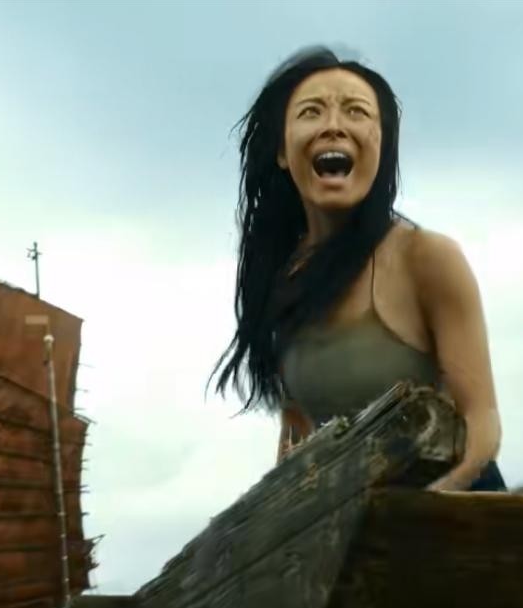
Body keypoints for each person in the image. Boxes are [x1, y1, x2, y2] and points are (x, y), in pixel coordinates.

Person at [212, 46, 504, 492]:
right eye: (311, 112)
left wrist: (437, 500)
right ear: (283, 152)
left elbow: (482, 420)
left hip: (459, 511)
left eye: (356, 111)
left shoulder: (427, 257)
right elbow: (296, 443)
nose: (334, 125)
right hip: (350, 520)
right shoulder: (283, 283)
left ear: (381, 145)